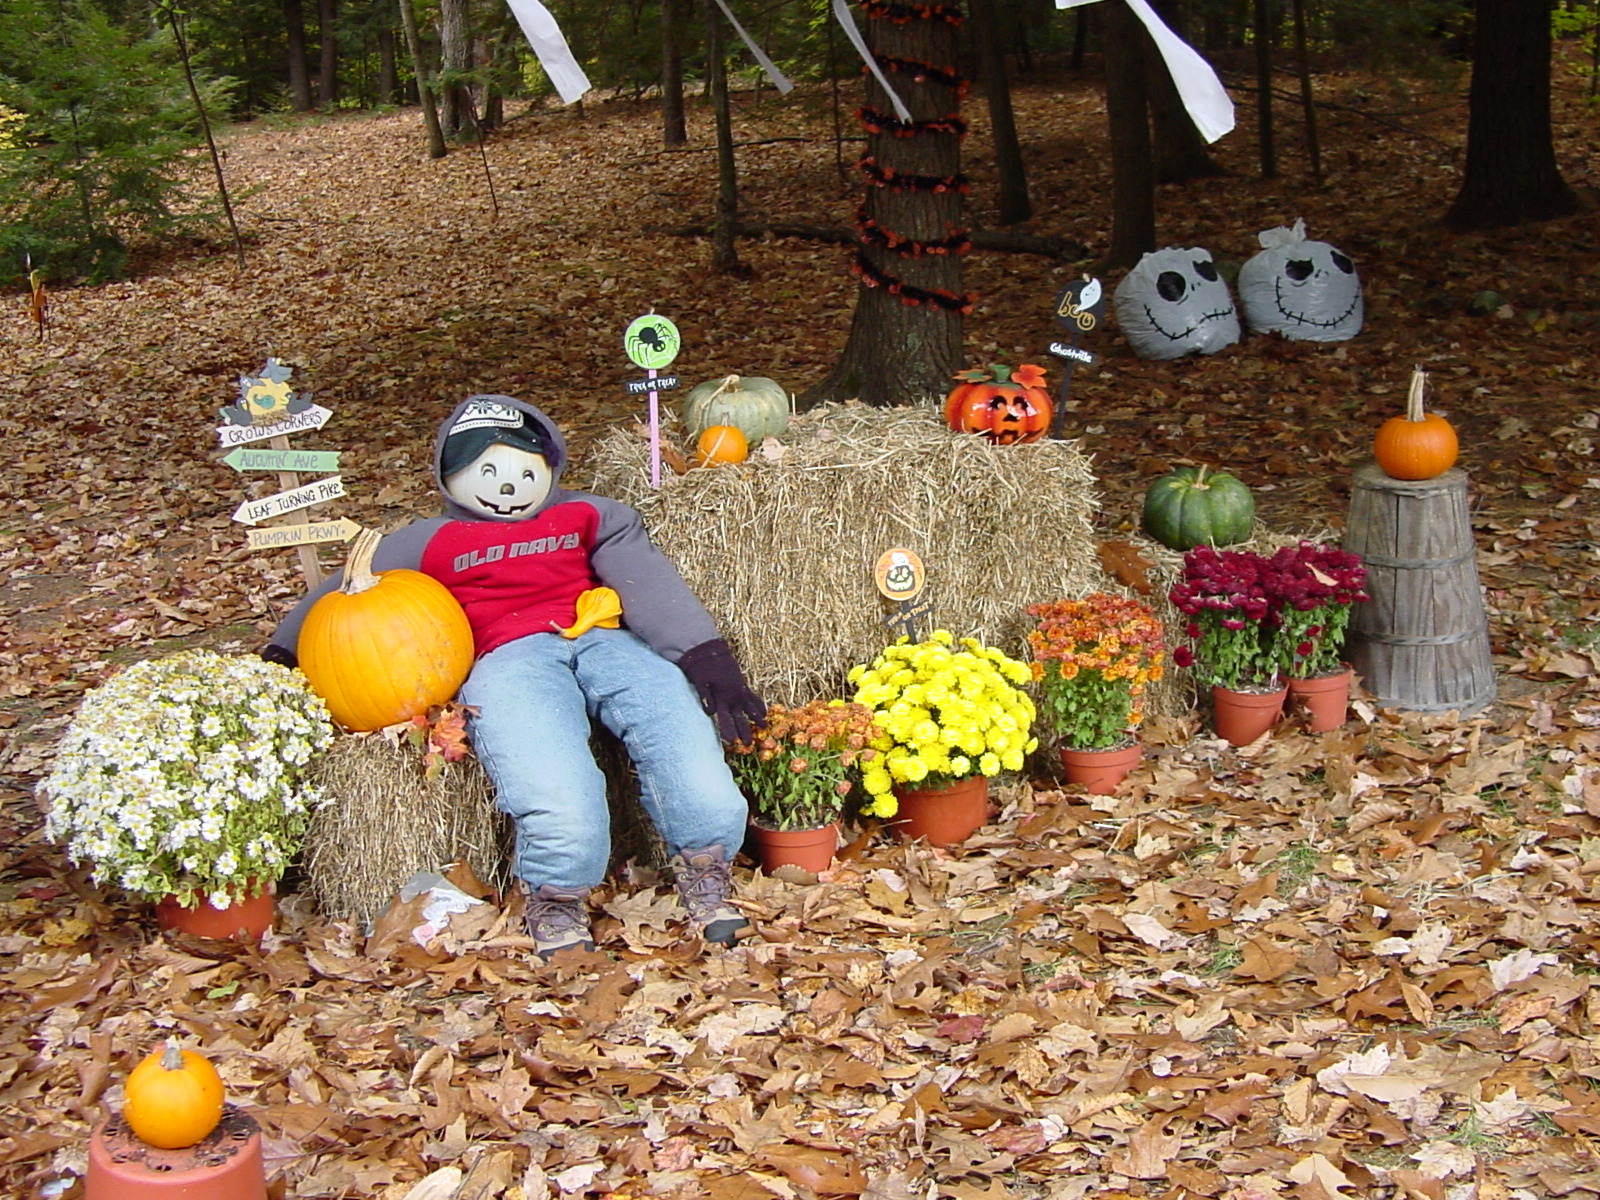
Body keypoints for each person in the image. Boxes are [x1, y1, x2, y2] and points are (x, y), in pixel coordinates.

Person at [265, 395, 765, 956]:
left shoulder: (588, 515)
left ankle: (706, 867)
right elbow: (343, 588)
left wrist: (703, 656)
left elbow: (646, 581)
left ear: (551, 470)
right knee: (545, 767)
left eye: (526, 471)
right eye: (486, 472)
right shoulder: (427, 541)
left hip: (599, 634)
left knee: (675, 723)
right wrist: (284, 652)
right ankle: (558, 894)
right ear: (448, 477)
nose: (508, 487)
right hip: (507, 653)